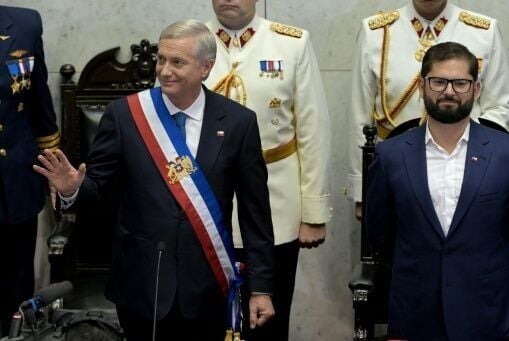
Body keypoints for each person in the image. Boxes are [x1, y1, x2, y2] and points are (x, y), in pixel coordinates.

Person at [34, 20, 275, 341]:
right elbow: (97, 192)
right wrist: (72, 190)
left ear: (206, 67)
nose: (164, 70)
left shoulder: (238, 122)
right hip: (141, 282)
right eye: (161, 59)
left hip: (208, 283)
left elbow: (255, 214)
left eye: (178, 62)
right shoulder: (126, 115)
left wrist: (260, 288)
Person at [366, 41, 509, 340]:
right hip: (415, 309)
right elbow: (381, 233)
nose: (449, 91)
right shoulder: (391, 155)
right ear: (422, 86)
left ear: (476, 89)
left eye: (460, 83)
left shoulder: (506, 153)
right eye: (439, 82)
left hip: (488, 310)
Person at [204, 1, 332, 339]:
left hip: (277, 203)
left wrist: (314, 211)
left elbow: (312, 128)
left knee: (270, 319)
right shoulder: (191, 41)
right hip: (205, 201)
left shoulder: (291, 42)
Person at [348, 0, 509, 217]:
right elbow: (360, 115)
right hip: (397, 172)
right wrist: (363, 190)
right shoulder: (375, 31)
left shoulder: (484, 31)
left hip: (470, 173)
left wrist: (459, 145)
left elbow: (500, 108)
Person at [0, 5, 60, 336]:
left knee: (16, 290)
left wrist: (52, 166)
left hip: (15, 184)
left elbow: (39, 98)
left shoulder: (25, 22)